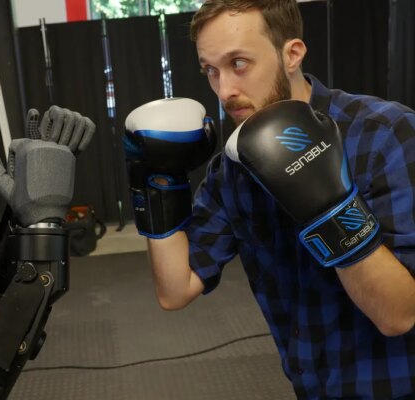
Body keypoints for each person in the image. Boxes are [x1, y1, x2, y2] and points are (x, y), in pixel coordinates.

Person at [123, 0, 415, 398]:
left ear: (291, 54)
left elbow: (400, 314)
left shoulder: (385, 135)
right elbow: (175, 290)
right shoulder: (233, 169)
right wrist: (157, 182)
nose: (225, 90)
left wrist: (327, 202)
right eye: (211, 70)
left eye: (239, 63)